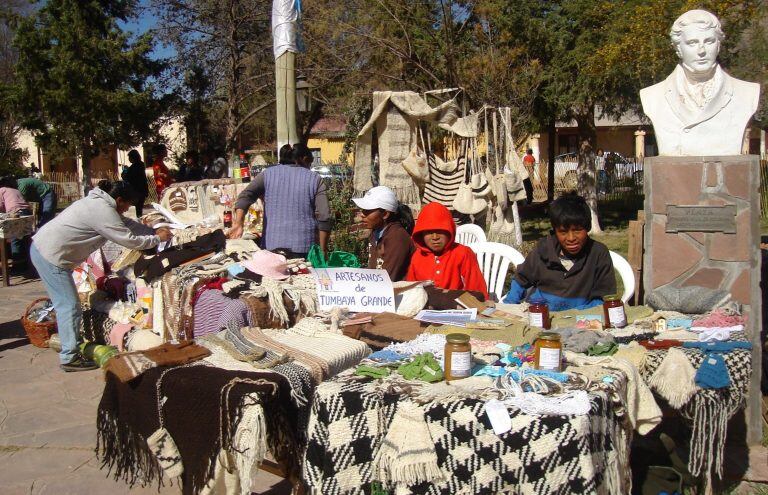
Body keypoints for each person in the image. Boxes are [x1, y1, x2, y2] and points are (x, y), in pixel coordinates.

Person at [30, 181, 172, 372]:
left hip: (47, 250)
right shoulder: (102, 211)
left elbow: (126, 223)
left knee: (68, 305)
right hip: (51, 256)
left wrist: (151, 231)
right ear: (119, 200)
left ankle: (72, 345)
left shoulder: (102, 204)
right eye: (127, 204)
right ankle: (69, 358)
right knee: (69, 306)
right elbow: (128, 239)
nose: (128, 208)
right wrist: (157, 238)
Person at [639, 9, 760, 155]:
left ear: (718, 45)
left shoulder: (746, 93)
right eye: (692, 43)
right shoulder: (653, 96)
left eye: (709, 41)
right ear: (678, 48)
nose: (701, 50)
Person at [502, 193, 616, 310]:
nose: (571, 238)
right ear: (555, 231)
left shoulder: (598, 253)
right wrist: (509, 307)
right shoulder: (543, 250)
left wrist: (577, 314)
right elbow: (521, 279)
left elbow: (604, 298)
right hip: (541, 315)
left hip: (581, 318)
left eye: (577, 230)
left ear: (587, 228)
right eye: (563, 232)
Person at [228, 143, 331, 257]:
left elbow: (245, 196)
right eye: (310, 163)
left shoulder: (267, 175)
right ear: (304, 159)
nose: (309, 168)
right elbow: (324, 217)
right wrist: (323, 251)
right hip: (305, 250)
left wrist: (239, 223)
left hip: (271, 249)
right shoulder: (315, 179)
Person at [406, 202, 488, 298]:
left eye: (440, 231)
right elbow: (411, 291)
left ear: (450, 231)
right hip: (426, 308)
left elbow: (477, 290)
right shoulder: (418, 256)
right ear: (421, 234)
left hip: (458, 308)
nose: (435, 237)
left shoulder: (463, 253)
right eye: (429, 232)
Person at [352, 186, 415, 281]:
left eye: (367, 211)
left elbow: (387, 278)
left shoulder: (397, 237)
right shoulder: (375, 232)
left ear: (385, 214)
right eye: (362, 210)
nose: (362, 214)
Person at [0, 176, 33, 266]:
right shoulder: (16, 190)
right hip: (27, 213)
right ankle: (28, 261)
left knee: (15, 237)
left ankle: (18, 263)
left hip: (16, 213)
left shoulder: (2, 190)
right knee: (25, 236)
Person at [121, 150, 149, 216]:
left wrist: (125, 171)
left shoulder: (135, 167)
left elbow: (127, 177)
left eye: (130, 157)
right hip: (142, 190)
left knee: (138, 209)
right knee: (139, 208)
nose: (129, 159)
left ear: (133, 157)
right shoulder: (140, 165)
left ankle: (139, 222)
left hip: (137, 190)